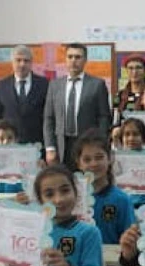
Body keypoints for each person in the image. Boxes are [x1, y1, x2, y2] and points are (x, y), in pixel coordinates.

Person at [43, 43, 111, 171]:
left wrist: (99, 144)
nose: (73, 61)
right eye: (70, 57)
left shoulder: (97, 85)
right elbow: (49, 118)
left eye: (78, 57)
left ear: (85, 60)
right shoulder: (54, 85)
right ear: (65, 59)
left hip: (87, 145)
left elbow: (104, 117)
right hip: (62, 145)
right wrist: (50, 147)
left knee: (86, 179)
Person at [73, 129, 134, 245]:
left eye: (99, 157)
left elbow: (130, 241)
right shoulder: (71, 199)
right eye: (87, 160)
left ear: (110, 158)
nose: (93, 164)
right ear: (79, 163)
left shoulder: (122, 200)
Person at [0, 45, 49, 146]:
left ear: (31, 63)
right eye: (18, 60)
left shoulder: (44, 84)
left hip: (36, 145)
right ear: (12, 62)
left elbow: (49, 118)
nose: (22, 64)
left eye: (26, 61)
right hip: (8, 145)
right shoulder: (1, 86)